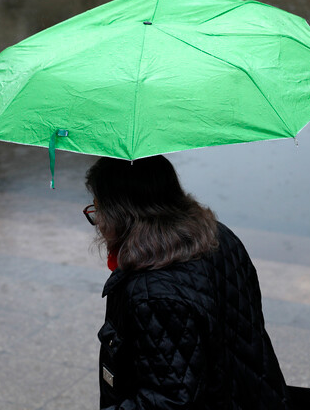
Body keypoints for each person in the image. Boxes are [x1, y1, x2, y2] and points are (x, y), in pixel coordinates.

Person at [84, 155, 291, 409]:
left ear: (121, 213)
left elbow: (170, 399)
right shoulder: (218, 236)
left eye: (98, 208)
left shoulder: (153, 293)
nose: (98, 223)